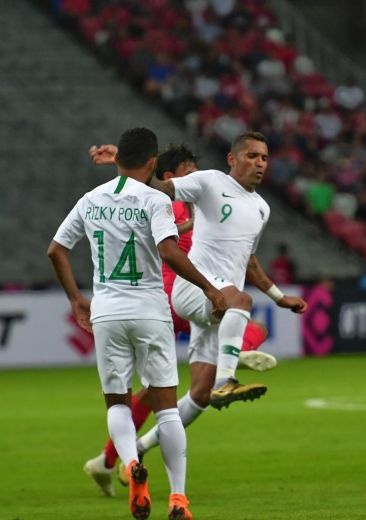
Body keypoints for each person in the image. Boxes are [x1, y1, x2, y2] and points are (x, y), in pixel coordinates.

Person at [48, 127, 228, 519]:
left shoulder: (90, 199)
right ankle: (178, 498)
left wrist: (76, 299)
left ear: (117, 160)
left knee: (118, 403)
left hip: (107, 314)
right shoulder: (153, 200)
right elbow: (168, 251)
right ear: (152, 163)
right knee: (166, 411)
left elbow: (56, 250)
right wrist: (210, 287)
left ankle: (130, 464)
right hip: (149, 311)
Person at [83, 143, 276, 495]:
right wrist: (124, 165)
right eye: (187, 173)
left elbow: (244, 253)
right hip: (178, 294)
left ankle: (112, 459)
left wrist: (277, 293)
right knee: (250, 323)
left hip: (191, 295)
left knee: (176, 392)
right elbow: (160, 233)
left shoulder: (212, 202)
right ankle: (234, 359)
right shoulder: (167, 203)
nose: (195, 178)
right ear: (169, 176)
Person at [90, 131, 307, 413]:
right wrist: (125, 159)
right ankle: (228, 376)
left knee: (199, 396)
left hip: (219, 302)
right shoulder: (211, 181)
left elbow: (249, 260)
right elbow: (160, 186)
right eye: (252, 156)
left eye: (264, 158)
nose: (260, 163)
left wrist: (279, 298)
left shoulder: (262, 208)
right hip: (195, 288)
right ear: (232, 158)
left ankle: (139, 448)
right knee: (243, 303)